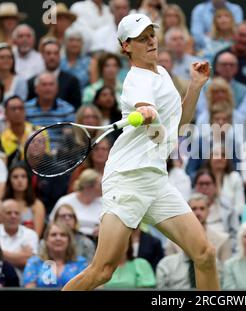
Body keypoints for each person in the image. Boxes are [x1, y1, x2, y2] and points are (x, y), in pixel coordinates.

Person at [62, 13, 219, 291]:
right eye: (141, 38)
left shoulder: (163, 74)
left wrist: (195, 86)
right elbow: (151, 120)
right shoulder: (136, 80)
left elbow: (179, 124)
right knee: (102, 271)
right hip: (128, 179)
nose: (150, 42)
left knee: (205, 255)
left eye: (152, 35)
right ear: (126, 46)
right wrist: (147, 113)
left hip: (156, 180)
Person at [165, 193, 232, 265]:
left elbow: (225, 271)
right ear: (186, 212)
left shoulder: (223, 239)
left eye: (202, 208)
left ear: (208, 211)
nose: (198, 213)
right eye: (194, 209)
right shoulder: (173, 241)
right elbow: (170, 270)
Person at [23, 222, 87, 288]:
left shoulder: (80, 262)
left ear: (69, 240)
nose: (58, 238)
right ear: (46, 240)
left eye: (63, 235)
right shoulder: (34, 262)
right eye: (53, 235)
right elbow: (29, 289)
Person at [0, 162, 45, 237]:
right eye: (15, 177)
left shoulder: (37, 205)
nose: (19, 180)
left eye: (23, 176)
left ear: (28, 180)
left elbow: (36, 237)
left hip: (28, 246)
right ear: (9, 181)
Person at [50, 169, 103, 239]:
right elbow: (52, 224)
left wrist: (103, 230)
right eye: (100, 185)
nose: (103, 188)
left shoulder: (105, 203)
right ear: (88, 186)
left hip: (98, 241)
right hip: (69, 241)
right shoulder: (65, 201)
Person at [0, 199, 38, 274]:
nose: (13, 216)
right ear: (0, 216)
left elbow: (30, 261)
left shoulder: (31, 234)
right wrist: (20, 255)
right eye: (8, 213)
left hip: (23, 283)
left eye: (17, 213)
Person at [0, 2, 26, 66]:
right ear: (0, 21)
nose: (10, 21)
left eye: (13, 18)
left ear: (17, 20)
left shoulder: (23, 38)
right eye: (6, 18)